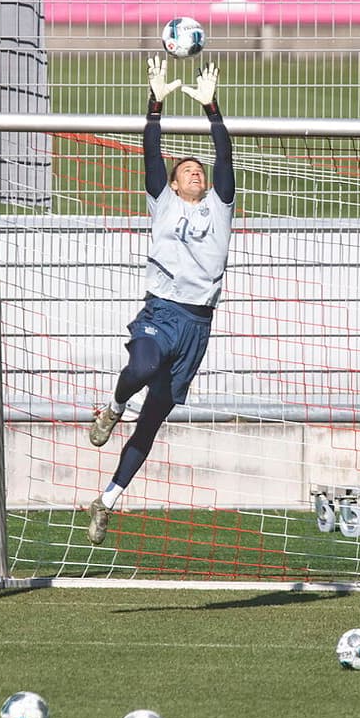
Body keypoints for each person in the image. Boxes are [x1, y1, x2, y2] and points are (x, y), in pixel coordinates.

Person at [85, 56, 234, 545]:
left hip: (197, 326)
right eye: (185, 170)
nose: (194, 173)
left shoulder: (219, 206)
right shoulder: (163, 202)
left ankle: (105, 501)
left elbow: (225, 157)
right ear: (171, 184)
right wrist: (156, 105)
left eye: (198, 170)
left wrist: (212, 108)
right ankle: (111, 406)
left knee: (152, 422)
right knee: (143, 366)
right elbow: (151, 153)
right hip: (163, 309)